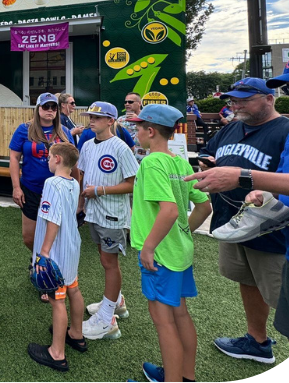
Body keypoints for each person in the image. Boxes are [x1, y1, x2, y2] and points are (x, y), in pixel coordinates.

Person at [188, 49, 289, 354]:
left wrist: (247, 178)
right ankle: (256, 341)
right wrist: (264, 194)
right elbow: (285, 181)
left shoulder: (287, 129)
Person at [197, 78, 289, 364]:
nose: (236, 105)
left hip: (272, 228)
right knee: (247, 280)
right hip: (232, 222)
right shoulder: (232, 127)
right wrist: (207, 163)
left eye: (244, 99)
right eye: (233, 100)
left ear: (269, 99)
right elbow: (208, 152)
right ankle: (257, 341)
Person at [126, 104, 212, 383]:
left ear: (150, 131)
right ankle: (185, 376)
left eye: (139, 127)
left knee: (164, 322)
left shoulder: (151, 163)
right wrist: (183, 233)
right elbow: (204, 207)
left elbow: (170, 211)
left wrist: (149, 247)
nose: (136, 132)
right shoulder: (180, 162)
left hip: (161, 256)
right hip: (179, 251)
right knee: (181, 315)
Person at [77, 101, 139, 340]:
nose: (91, 120)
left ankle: (107, 320)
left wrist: (100, 190)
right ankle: (117, 302)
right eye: (90, 116)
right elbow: (83, 176)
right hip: (94, 212)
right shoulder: (87, 145)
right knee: (104, 258)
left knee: (109, 262)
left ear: (111, 121)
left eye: (97, 117)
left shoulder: (121, 148)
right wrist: (81, 205)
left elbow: (133, 183)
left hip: (112, 214)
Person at [27, 141, 86, 371]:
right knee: (74, 289)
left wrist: (44, 252)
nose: (48, 161)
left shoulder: (51, 183)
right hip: (72, 246)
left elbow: (53, 220)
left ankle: (57, 353)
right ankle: (77, 334)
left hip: (56, 250)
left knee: (57, 299)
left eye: (49, 157)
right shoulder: (73, 182)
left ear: (58, 159)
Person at [9, 93, 71, 258]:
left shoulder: (64, 132)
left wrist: (77, 193)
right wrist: (16, 187)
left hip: (58, 191)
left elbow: (74, 163)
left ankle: (49, 263)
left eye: (54, 107)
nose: (50, 110)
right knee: (29, 237)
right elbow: (14, 158)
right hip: (31, 189)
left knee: (57, 234)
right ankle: (39, 259)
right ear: (38, 109)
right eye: (46, 106)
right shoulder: (24, 130)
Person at [117, 92, 148, 161]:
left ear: (139, 103)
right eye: (125, 102)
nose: (127, 104)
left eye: (130, 102)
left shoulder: (147, 118)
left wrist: (138, 120)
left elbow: (152, 133)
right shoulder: (120, 120)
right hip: (125, 157)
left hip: (143, 157)